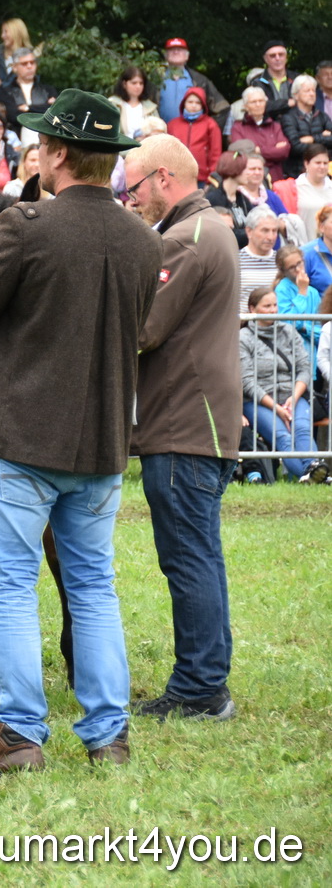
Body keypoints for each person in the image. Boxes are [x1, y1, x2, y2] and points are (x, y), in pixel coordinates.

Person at [0, 89, 159, 772]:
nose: (35, 151)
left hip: (21, 437)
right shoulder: (142, 238)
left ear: (59, 155)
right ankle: (107, 735)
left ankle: (19, 736)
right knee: (94, 583)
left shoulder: (25, 225)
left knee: (10, 585)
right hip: (99, 443)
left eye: (43, 143)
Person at [121, 134, 243, 720]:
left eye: (136, 187)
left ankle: (198, 690)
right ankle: (207, 683)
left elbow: (142, 328)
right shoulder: (211, 228)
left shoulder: (186, 237)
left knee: (188, 558)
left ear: (163, 179)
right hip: (200, 422)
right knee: (201, 555)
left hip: (184, 424)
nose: (133, 199)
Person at [240, 287, 314, 481]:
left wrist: (293, 398)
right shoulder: (243, 338)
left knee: (303, 429)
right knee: (283, 436)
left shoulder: (288, 331)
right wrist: (277, 409)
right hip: (260, 400)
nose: (273, 310)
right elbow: (246, 381)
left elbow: (304, 367)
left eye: (275, 305)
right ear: (252, 309)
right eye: (267, 306)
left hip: (292, 395)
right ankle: (313, 474)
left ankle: (311, 472)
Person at [156, 36, 228, 124]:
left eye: (180, 49)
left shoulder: (199, 80)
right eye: (172, 49)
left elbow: (222, 107)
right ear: (165, 55)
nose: (176, 52)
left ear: (187, 56)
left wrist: (207, 129)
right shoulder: (155, 79)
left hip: (192, 135)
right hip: (160, 134)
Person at [229, 86, 291, 183]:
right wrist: (273, 150)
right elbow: (242, 154)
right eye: (253, 102)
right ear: (245, 106)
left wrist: (258, 150)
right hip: (249, 181)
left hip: (275, 179)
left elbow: (284, 152)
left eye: (261, 101)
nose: (258, 104)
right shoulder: (238, 127)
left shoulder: (275, 126)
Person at [273, 246, 325, 361]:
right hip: (290, 356)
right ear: (284, 271)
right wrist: (301, 293)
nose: (298, 269)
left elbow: (321, 330)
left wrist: (304, 328)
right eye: (292, 267)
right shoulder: (281, 289)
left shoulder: (313, 292)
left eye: (299, 263)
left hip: (312, 356)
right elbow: (288, 322)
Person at [0, 47, 56, 139]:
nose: (29, 66)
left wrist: (28, 108)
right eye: (24, 64)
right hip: (18, 139)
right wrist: (43, 106)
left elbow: (54, 113)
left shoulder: (47, 90)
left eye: (32, 62)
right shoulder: (6, 91)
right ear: (14, 67)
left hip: (46, 137)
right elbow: (13, 116)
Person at [166, 86, 222, 184]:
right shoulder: (172, 125)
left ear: (203, 105)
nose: (194, 105)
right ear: (184, 103)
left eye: (198, 102)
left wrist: (212, 178)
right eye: (190, 102)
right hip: (176, 178)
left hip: (202, 179)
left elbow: (215, 153)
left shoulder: (210, 124)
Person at [281, 74, 332, 176]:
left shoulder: (322, 116)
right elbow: (295, 147)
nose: (312, 94)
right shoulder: (288, 118)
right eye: (307, 91)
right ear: (296, 95)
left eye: (313, 90)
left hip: (325, 171)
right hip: (298, 171)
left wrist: (313, 139)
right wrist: (323, 138)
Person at [237, 211, 280, 313]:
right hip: (243, 325)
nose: (270, 237)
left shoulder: (281, 261)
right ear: (249, 232)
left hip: (276, 326)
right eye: (265, 231)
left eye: (274, 231)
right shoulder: (236, 260)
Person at [0, 17, 30, 98]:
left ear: (16, 33)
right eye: (2, 32)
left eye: (6, 32)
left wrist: (1, 85)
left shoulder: (29, 56)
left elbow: (31, 87)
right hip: (1, 106)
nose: (2, 36)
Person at [248, 40, 294, 122]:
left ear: (286, 57)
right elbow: (262, 106)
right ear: (265, 59)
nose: (277, 58)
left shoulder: (297, 79)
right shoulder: (258, 82)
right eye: (272, 56)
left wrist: (274, 105)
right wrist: (288, 103)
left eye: (281, 55)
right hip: (268, 127)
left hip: (295, 127)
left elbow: (305, 104)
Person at [108, 65, 158, 140]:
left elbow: (159, 132)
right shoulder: (113, 105)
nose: (138, 86)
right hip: (121, 150)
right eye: (134, 83)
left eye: (141, 83)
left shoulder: (151, 108)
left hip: (145, 148)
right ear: (124, 84)